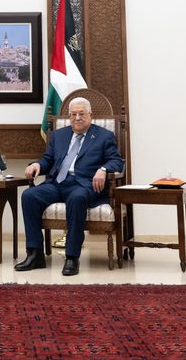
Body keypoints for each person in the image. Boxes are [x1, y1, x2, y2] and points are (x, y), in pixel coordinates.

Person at [15, 96, 124, 276]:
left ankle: (72, 257)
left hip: (83, 185)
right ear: (69, 116)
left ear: (90, 114)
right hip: (57, 183)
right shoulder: (59, 135)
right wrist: (37, 165)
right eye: (73, 114)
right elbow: (48, 160)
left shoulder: (104, 136)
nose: (77, 118)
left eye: (81, 114)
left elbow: (117, 161)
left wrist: (103, 169)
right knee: (29, 196)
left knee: (77, 198)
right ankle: (35, 254)